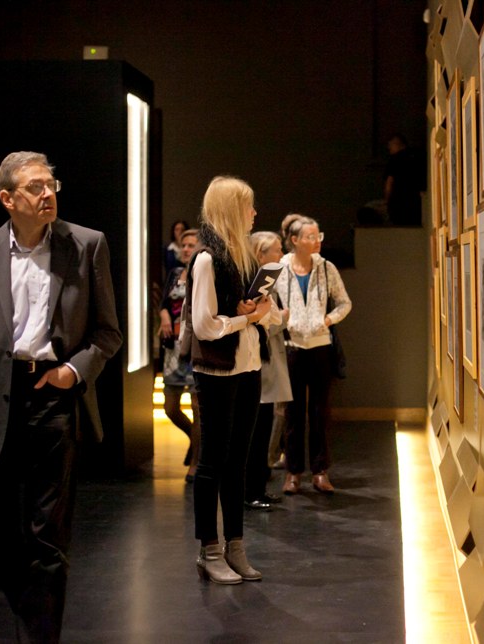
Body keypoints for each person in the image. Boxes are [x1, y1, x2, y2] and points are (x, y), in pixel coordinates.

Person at [0, 151, 122, 641]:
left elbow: (108, 334)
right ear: (7, 198)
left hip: (53, 402)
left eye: (51, 184)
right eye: (35, 187)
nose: (47, 194)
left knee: (48, 538)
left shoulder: (86, 245)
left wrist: (71, 372)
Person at [184, 175, 274, 585]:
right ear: (231, 210)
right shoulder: (206, 259)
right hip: (216, 371)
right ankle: (209, 549)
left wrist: (258, 313)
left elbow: (258, 316)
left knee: (237, 460)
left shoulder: (244, 257)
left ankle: (235, 545)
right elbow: (204, 326)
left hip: (248, 367)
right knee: (212, 462)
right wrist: (247, 319)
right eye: (247, 206)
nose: (254, 213)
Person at [276, 213, 352, 495]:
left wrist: (328, 320)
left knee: (320, 411)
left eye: (318, 235)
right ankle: (293, 472)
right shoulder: (280, 268)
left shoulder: (326, 268)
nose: (317, 241)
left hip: (320, 346)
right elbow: (266, 302)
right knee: (293, 412)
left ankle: (320, 471)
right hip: (292, 347)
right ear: (294, 240)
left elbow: (344, 303)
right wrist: (282, 320)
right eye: (310, 236)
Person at [244, 230, 292, 510]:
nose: (280, 254)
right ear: (261, 254)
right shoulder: (254, 284)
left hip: (266, 363)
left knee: (263, 429)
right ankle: (252, 489)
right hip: (258, 364)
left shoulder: (267, 284)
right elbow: (261, 322)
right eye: (276, 250)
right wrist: (281, 318)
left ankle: (258, 487)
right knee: (257, 431)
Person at [159, 227, 201, 483]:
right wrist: (164, 315)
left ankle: (196, 463)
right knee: (170, 408)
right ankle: (195, 442)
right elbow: (164, 302)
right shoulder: (175, 273)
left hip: (196, 348)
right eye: (183, 245)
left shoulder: (205, 274)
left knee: (197, 408)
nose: (185, 249)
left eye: (191, 245)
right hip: (173, 349)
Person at [383, 133, 423, 226]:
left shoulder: (394, 160)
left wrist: (387, 201)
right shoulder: (418, 156)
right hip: (416, 201)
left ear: (397, 144)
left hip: (398, 201)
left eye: (390, 146)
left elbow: (389, 183)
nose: (389, 149)